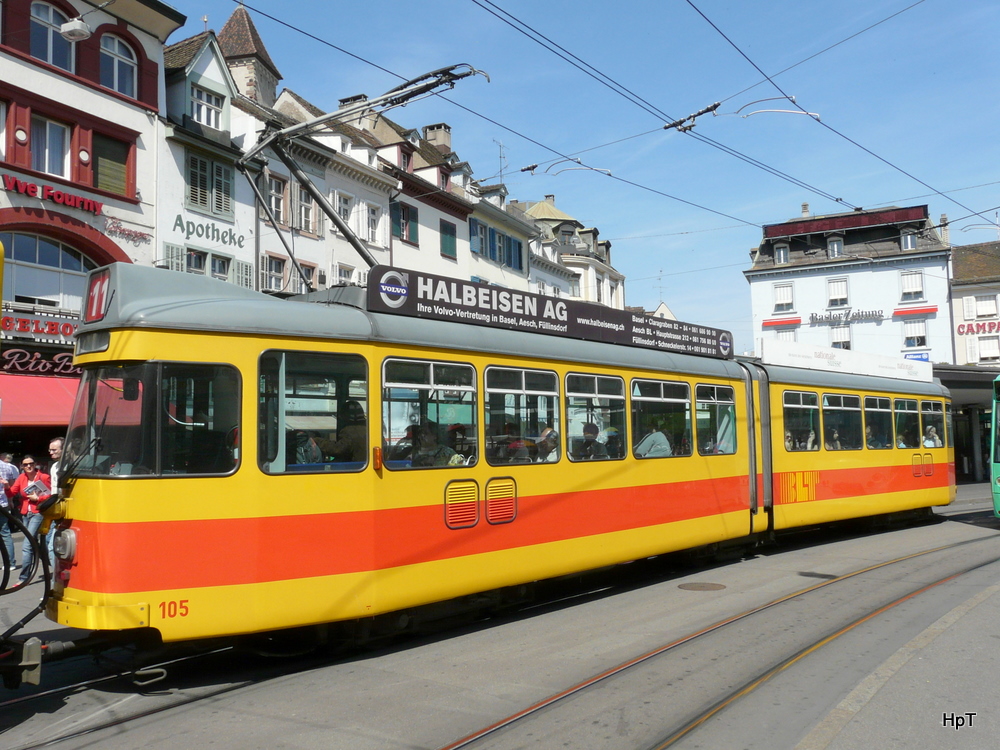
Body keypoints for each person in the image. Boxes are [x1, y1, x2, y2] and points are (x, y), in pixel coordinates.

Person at [6, 456, 51, 585]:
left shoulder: (43, 477)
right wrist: (5, 486)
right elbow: (11, 493)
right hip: (26, 513)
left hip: (38, 513)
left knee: (27, 545)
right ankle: (52, 564)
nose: (29, 466)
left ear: (35, 464)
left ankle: (23, 577)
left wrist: (39, 498)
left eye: (31, 464)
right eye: (26, 465)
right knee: (35, 544)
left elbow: (51, 495)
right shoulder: (22, 478)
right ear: (22, 466)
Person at [0, 452, 20, 573]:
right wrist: (11, 500)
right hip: (3, 504)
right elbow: (11, 488)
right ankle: (11, 563)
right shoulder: (8, 467)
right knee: (5, 533)